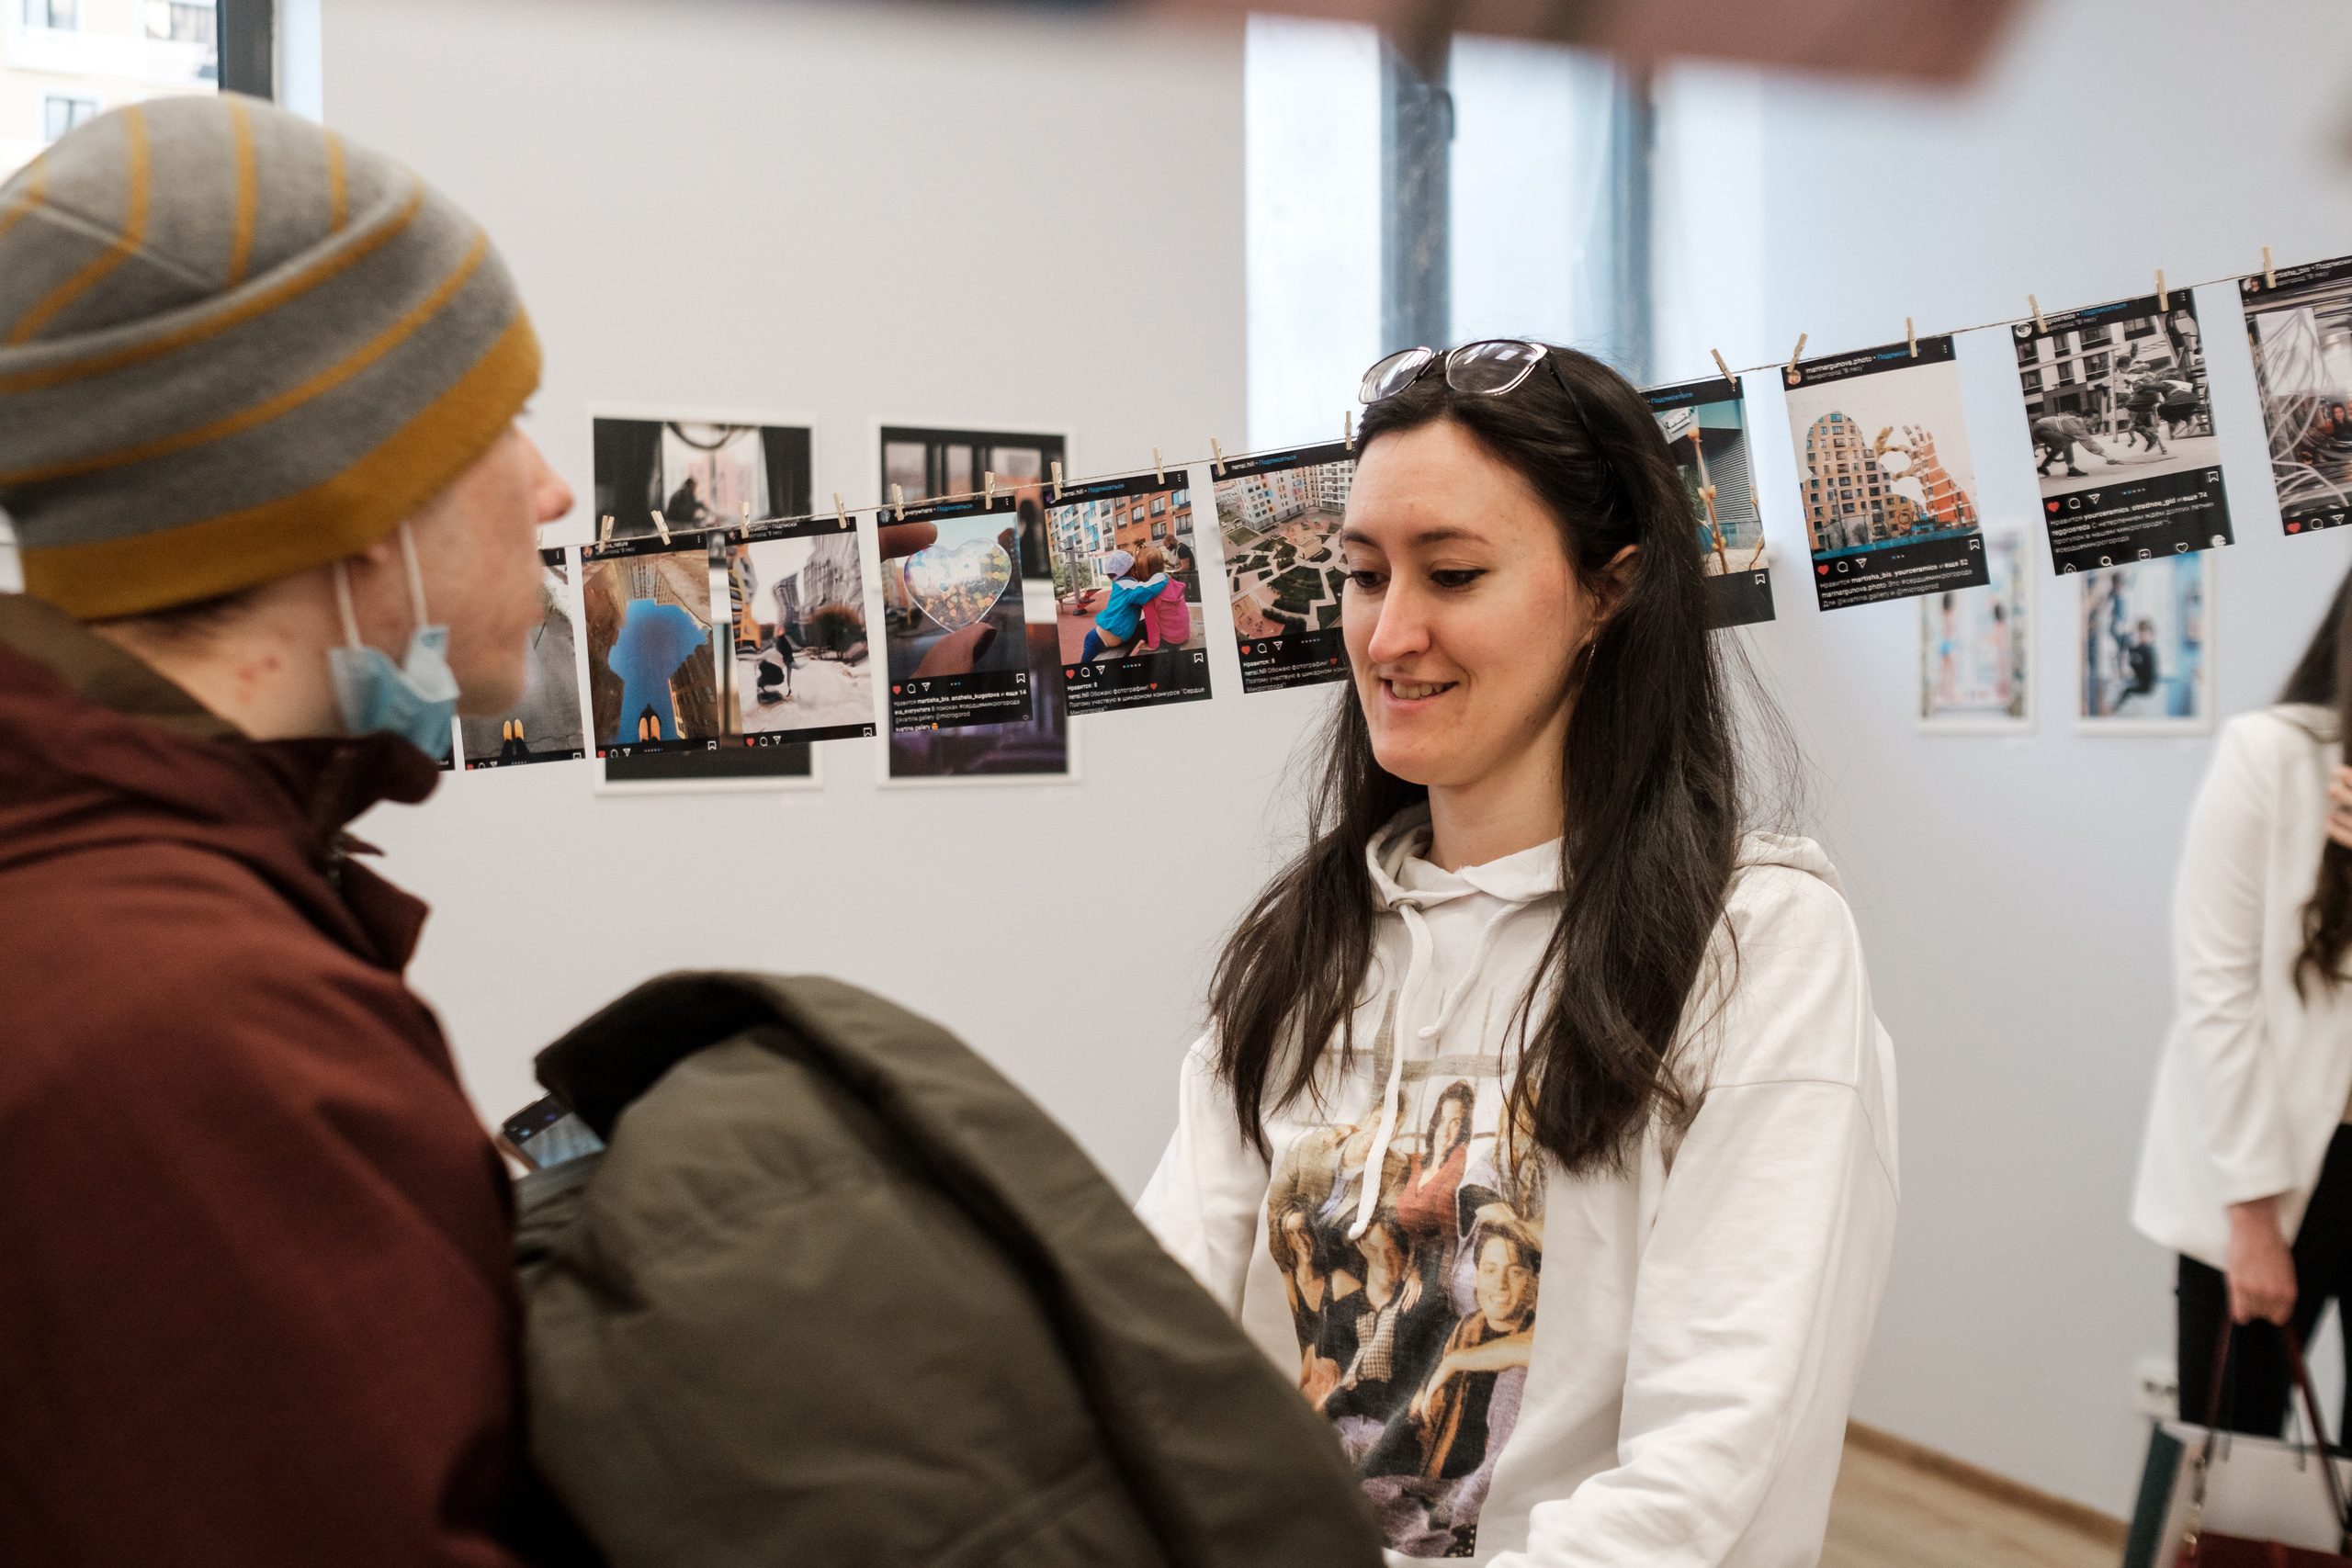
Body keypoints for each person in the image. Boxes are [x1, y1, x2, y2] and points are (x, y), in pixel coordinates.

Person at [1140, 338, 1898, 1565]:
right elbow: (1151, 1329)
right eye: (1362, 573)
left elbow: (1709, 1450)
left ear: (1608, 590)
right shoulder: (1306, 944)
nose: (1390, 634)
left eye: (1452, 573)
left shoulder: (1755, 940)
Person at [0, 97, 573, 1562]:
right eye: (498, 422)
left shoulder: (105, 894)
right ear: (358, 502)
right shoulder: (197, 1032)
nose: (552, 485)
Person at [2134, 567, 2352, 1435]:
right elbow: (2216, 992)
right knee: (2233, 1468)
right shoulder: (2273, 755)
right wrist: (2253, 1216)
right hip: (2268, 1166)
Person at [1080, 545, 1169, 662]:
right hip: (1101, 637)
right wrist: (1163, 577)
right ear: (1132, 570)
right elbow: (1149, 589)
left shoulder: (1120, 584)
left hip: (1109, 635)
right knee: (1085, 664)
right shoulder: (1129, 588)